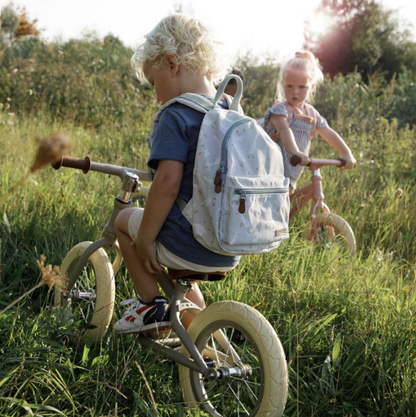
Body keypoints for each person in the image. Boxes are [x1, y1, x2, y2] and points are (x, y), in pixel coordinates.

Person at [113, 13, 240, 335]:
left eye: (154, 82)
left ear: (172, 63)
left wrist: (145, 240)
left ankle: (150, 304)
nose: (156, 93)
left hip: (187, 241)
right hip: (227, 244)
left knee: (125, 222)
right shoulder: (230, 109)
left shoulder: (177, 114)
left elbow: (167, 184)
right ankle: (202, 332)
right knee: (172, 259)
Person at [261, 51, 356, 192]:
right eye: (289, 86)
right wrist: (296, 152)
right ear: (282, 85)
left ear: (311, 86)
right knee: (274, 211)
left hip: (291, 175)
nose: (295, 92)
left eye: (301, 87)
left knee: (284, 210)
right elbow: (284, 130)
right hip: (270, 173)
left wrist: (346, 153)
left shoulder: (311, 113)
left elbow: (328, 133)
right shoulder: (279, 111)